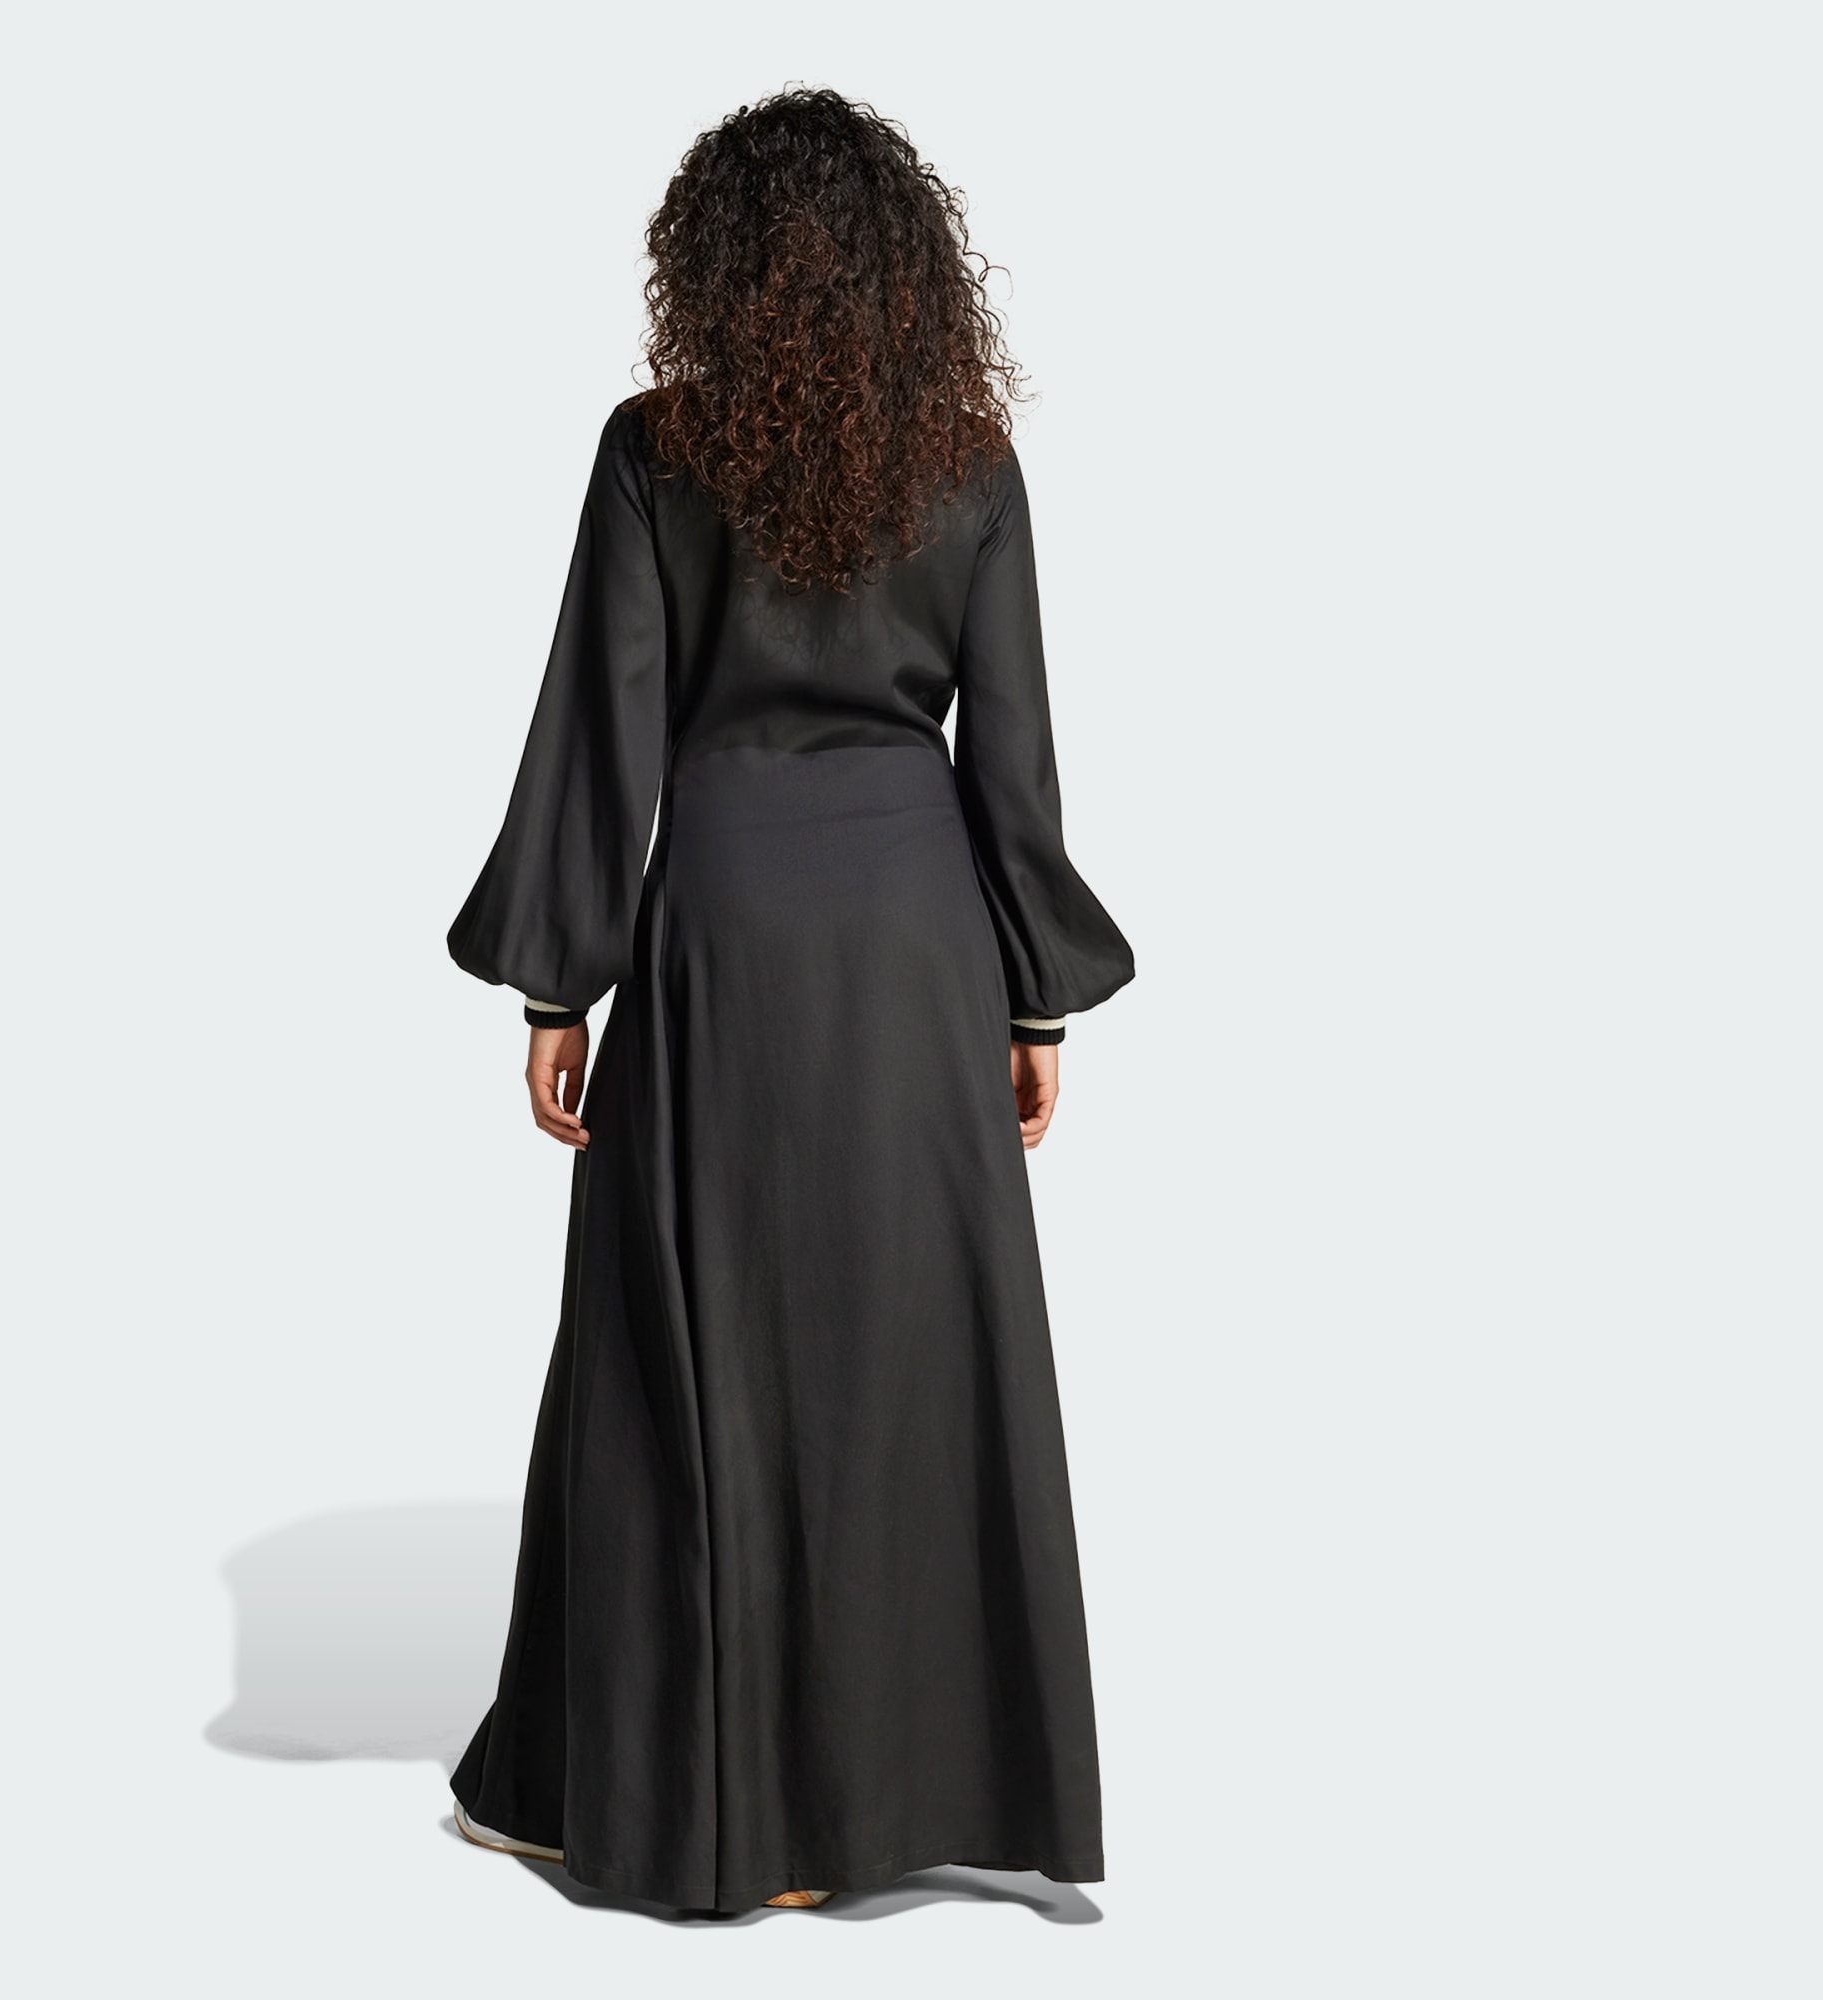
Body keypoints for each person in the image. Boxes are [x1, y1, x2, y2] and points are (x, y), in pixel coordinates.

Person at [443, 86, 1133, 1915]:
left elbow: (603, 728)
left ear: (716, 263)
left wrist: (559, 980)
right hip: (915, 942)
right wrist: (1035, 1003)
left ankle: (713, 1805)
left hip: (728, 933)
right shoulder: (968, 458)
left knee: (693, 1355)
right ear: (914, 264)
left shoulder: (656, 451)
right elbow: (1015, 762)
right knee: (902, 1355)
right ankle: (888, 1799)